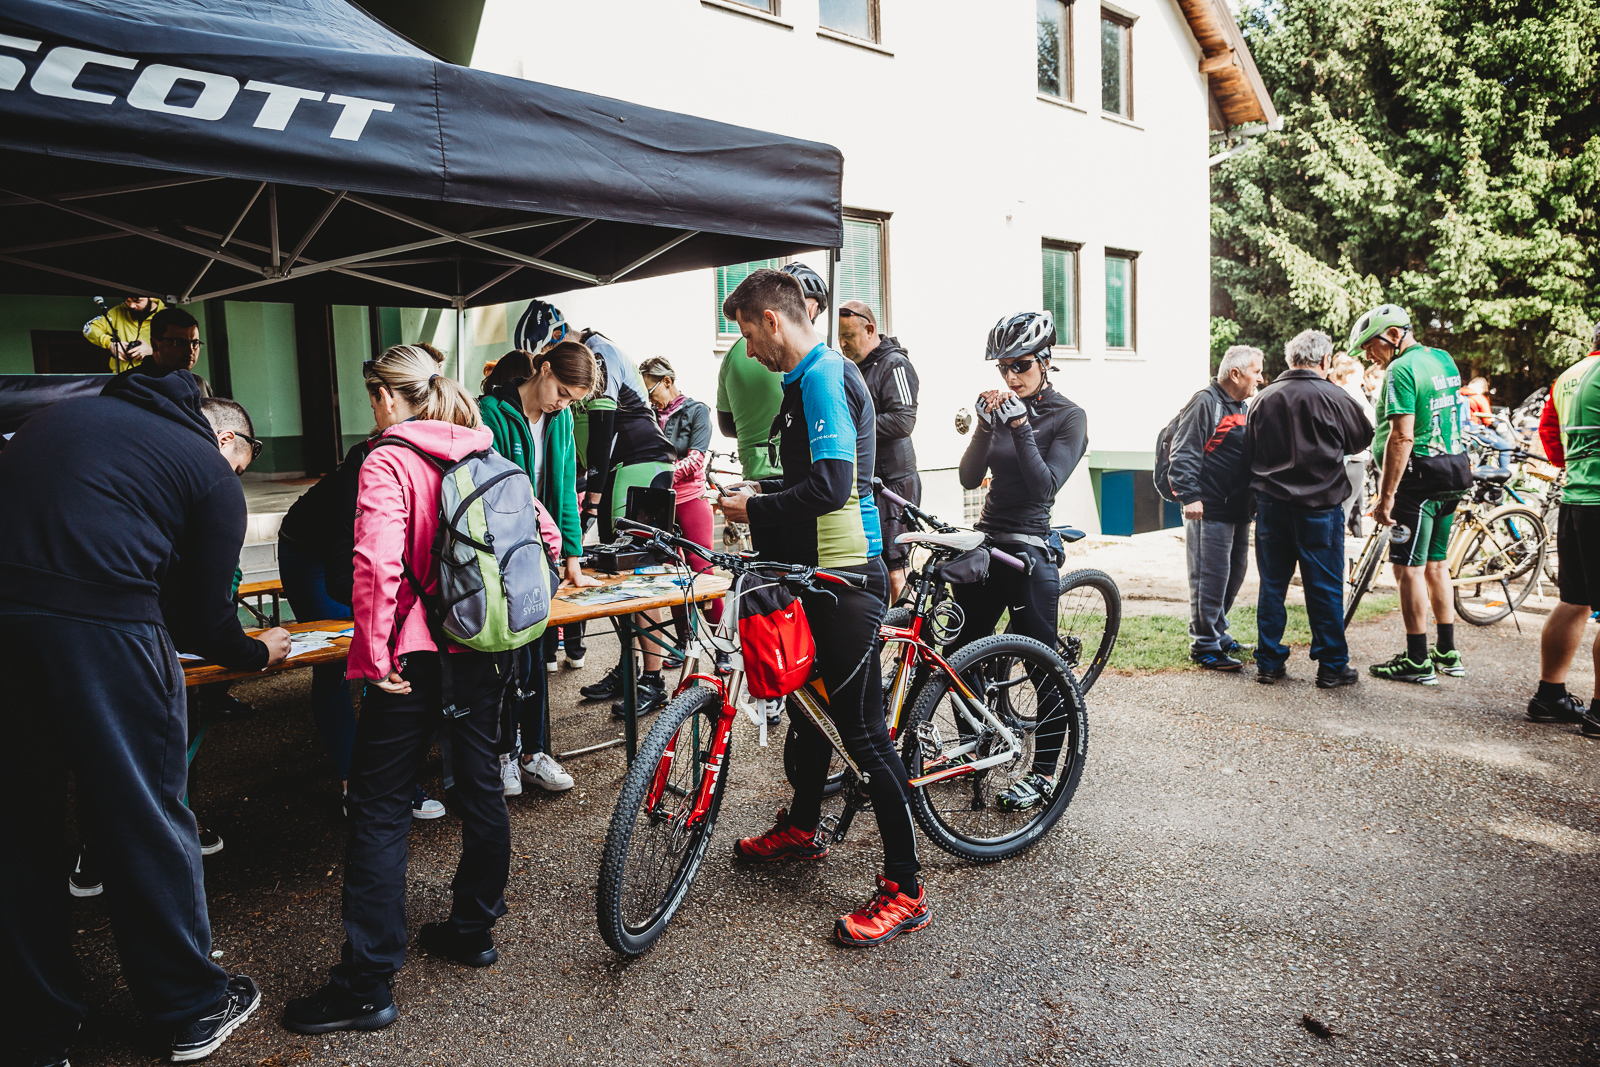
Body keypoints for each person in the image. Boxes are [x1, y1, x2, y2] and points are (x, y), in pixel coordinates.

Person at [0, 368, 290, 1066]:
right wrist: (258, 650)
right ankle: (191, 1005)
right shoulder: (207, 469)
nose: (240, 475)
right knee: (141, 814)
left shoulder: (59, 421)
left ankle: (35, 1033)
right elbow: (204, 617)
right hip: (103, 629)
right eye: (244, 460)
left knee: (18, 829)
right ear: (226, 435)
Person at [282, 346, 521, 1035]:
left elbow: (375, 564)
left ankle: (366, 983)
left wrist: (372, 651)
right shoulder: (486, 452)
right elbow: (546, 537)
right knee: (480, 784)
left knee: (381, 806)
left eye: (372, 395)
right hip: (481, 649)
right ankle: (473, 929)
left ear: (387, 397)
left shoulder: (388, 458)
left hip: (412, 656)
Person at [716, 267, 927, 947]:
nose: (747, 351)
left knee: (864, 734)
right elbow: (815, 475)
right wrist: (763, 487)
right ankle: (804, 829)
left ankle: (906, 888)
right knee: (810, 716)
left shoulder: (819, 375)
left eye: (748, 334)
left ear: (771, 321)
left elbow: (836, 485)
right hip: (818, 571)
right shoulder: (807, 377)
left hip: (847, 578)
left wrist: (757, 505)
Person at [279, 342, 450, 820]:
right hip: (311, 553)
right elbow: (342, 577)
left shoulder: (450, 439)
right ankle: (358, 779)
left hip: (362, 561)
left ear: (384, 397)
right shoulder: (366, 460)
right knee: (339, 661)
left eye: (371, 397)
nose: (370, 407)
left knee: (393, 653)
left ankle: (389, 773)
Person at [954, 311, 1088, 808]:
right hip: (988, 543)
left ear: (1046, 361)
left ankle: (1045, 773)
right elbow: (970, 479)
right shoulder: (1004, 407)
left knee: (1043, 666)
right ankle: (976, 739)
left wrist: (1020, 426)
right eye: (1003, 367)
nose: (1011, 377)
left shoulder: (1068, 417)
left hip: (1030, 547)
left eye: (1022, 365)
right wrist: (985, 431)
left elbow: (1044, 484)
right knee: (962, 655)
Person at [477, 345, 600, 794]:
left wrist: (571, 557)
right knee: (505, 656)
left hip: (541, 555)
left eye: (571, 400)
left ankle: (534, 751)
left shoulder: (562, 419)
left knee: (535, 653)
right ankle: (504, 753)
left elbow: (566, 488)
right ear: (543, 369)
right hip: (501, 554)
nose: (561, 403)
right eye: (561, 391)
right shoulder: (491, 411)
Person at [1243, 329, 1373, 688]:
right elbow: (1361, 438)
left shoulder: (1264, 398)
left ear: (1290, 359)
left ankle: (1268, 662)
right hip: (1320, 506)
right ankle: (1332, 665)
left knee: (1272, 586)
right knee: (1326, 588)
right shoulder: (1335, 396)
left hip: (1272, 506)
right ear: (1325, 361)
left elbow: (1248, 450)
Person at [1350, 304, 1473, 684]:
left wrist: (1387, 496)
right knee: (1438, 566)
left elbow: (1402, 436)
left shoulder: (1401, 369)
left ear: (1392, 335)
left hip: (1418, 482)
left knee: (1408, 570)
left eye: (1371, 346)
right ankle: (1447, 652)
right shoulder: (1442, 358)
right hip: (1453, 470)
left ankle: (1418, 658)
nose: (1369, 356)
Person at [570, 331, 678, 720]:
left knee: (641, 573)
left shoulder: (598, 353)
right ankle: (628, 668)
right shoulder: (586, 353)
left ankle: (654, 680)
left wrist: (591, 503)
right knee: (617, 572)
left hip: (643, 462)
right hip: (619, 468)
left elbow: (601, 433)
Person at [1525, 323, 1600, 737]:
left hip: (1575, 498)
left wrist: (1573, 466)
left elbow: (1550, 435)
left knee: (1574, 600)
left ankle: (1549, 696)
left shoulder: (1568, 376)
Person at [1169, 344, 1263, 671]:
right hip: (1207, 508)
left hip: (1237, 509)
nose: (1260, 379)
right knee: (1209, 578)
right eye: (1256, 371)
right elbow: (1183, 453)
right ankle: (1204, 644)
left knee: (1233, 575)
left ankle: (1218, 633)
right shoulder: (1205, 402)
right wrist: (1189, 495)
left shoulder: (1241, 406)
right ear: (1235, 373)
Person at [837, 299, 921, 604]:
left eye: (849, 336)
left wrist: (853, 427)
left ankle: (914, 647)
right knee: (877, 566)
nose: (843, 344)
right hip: (868, 484)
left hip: (894, 484)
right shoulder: (855, 367)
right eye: (840, 338)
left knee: (895, 569)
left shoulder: (894, 363)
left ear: (870, 329)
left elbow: (903, 420)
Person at [639, 355, 725, 631]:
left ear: (667, 381)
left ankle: (721, 642)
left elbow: (696, 460)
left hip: (690, 499)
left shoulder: (697, 411)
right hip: (660, 503)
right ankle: (685, 643)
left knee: (702, 568)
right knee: (673, 572)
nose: (650, 399)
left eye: (651, 391)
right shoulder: (649, 414)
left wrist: (659, 475)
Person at [1330, 355, 1377, 536]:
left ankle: (1353, 538)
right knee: (1346, 507)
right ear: (1349, 377)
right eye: (1360, 376)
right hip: (1354, 457)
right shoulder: (1352, 395)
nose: (1362, 380)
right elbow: (1371, 421)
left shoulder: (1335, 392)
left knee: (1352, 505)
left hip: (1347, 457)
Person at [82, 293, 165, 373]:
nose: (131, 305)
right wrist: (109, 343)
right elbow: (89, 328)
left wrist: (154, 351)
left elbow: (176, 351)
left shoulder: (166, 316)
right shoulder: (118, 311)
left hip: (153, 380)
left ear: (151, 297)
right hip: (121, 379)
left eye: (137, 301)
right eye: (128, 301)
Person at [1460, 377, 1517, 471]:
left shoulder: (1458, 395)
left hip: (1462, 431)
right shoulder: (1479, 398)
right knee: (1506, 447)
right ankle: (1503, 473)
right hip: (1474, 430)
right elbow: (1487, 420)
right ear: (1481, 387)